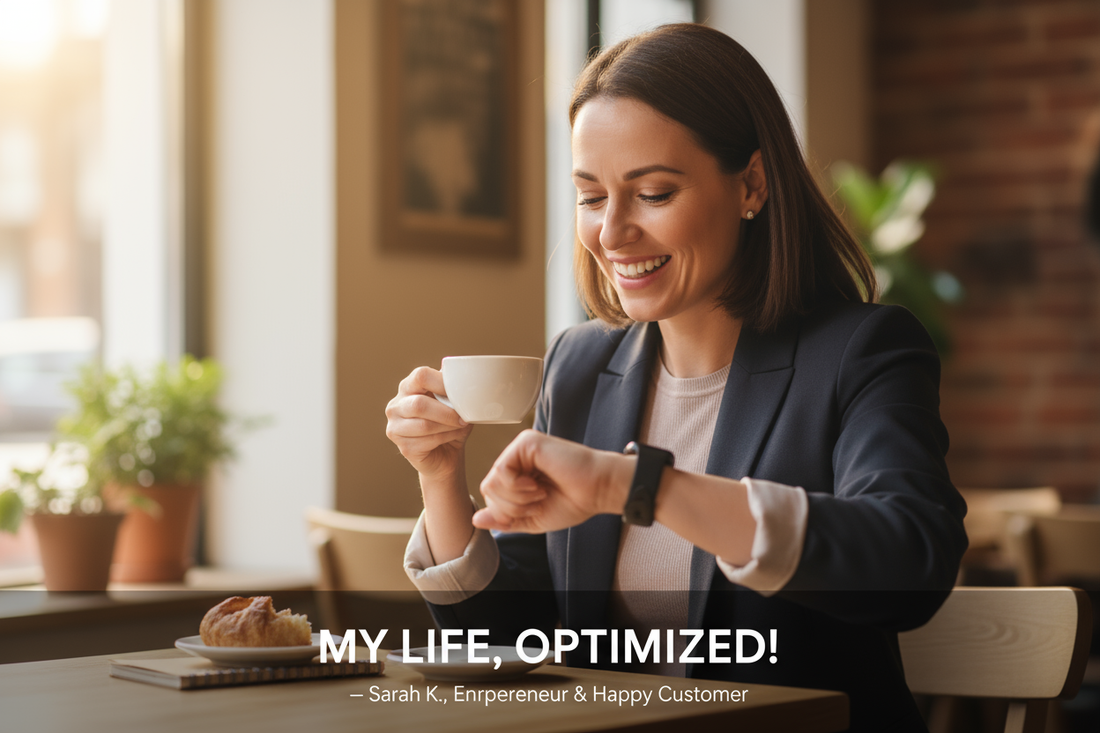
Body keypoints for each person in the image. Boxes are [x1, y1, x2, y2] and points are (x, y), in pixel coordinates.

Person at [385, 23, 967, 733]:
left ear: (751, 184)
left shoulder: (861, 351)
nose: (612, 232)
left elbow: (910, 562)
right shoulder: (579, 365)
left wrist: (637, 488)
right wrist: (441, 478)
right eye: (591, 196)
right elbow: (511, 630)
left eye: (653, 192)